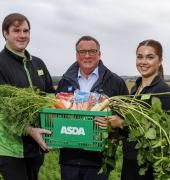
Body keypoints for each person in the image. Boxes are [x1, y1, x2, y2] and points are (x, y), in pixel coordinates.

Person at [56, 35, 129, 180]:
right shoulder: (65, 81)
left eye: (92, 51)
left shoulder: (115, 82)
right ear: (77, 55)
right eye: (83, 52)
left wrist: (115, 122)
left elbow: (127, 121)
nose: (87, 56)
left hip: (99, 160)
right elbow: (56, 113)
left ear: (99, 54)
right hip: (69, 158)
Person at [108, 39, 170, 180]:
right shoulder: (135, 88)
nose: (143, 62)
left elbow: (157, 131)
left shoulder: (163, 90)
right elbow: (132, 120)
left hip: (147, 163)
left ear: (160, 60)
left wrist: (121, 123)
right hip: (130, 159)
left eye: (150, 57)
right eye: (140, 56)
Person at [0, 13, 54, 180]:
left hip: (36, 146)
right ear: (5, 34)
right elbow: (2, 110)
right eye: (17, 30)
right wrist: (29, 130)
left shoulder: (38, 63)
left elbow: (50, 93)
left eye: (26, 30)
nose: (22, 35)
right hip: (10, 148)